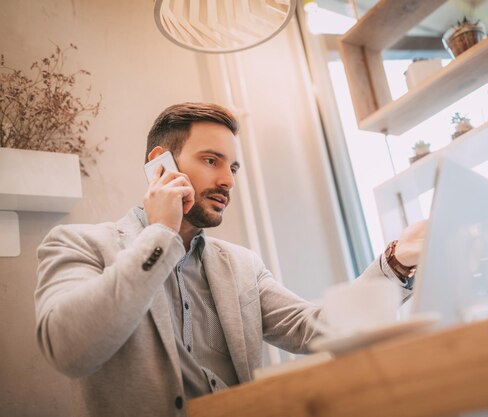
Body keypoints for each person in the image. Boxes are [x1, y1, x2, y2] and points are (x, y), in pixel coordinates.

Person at [35, 103, 425, 417]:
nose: (228, 180)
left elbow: (314, 329)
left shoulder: (243, 267)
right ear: (160, 165)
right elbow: (70, 350)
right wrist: (161, 234)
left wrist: (397, 263)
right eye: (211, 161)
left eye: (233, 167)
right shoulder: (77, 243)